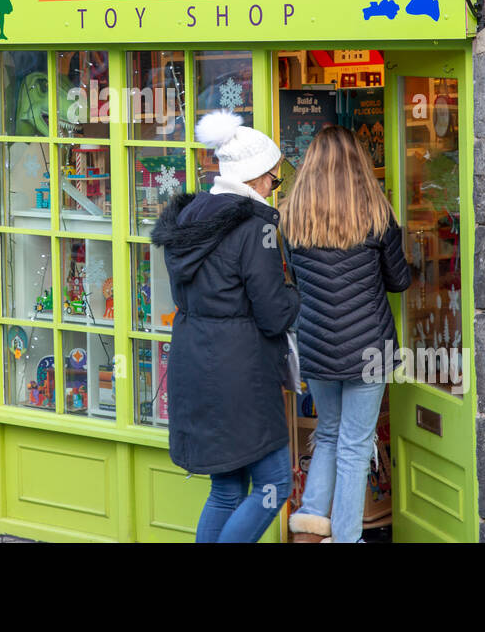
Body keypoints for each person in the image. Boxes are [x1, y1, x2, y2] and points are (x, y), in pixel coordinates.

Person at [152, 110, 300, 543]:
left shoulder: (190, 217)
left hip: (194, 359)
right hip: (241, 370)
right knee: (275, 484)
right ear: (255, 178)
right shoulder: (254, 227)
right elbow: (274, 313)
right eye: (275, 178)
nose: (276, 186)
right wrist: (298, 293)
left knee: (227, 488)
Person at [279, 124, 411, 543]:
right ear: (360, 164)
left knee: (330, 434)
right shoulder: (378, 215)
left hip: (316, 345)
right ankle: (349, 537)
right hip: (368, 348)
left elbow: (297, 280)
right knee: (356, 445)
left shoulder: (289, 217)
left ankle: (310, 525)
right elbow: (399, 282)